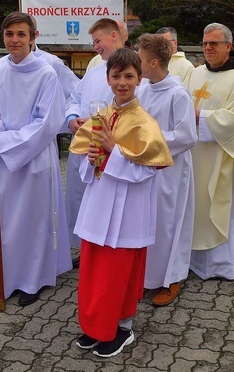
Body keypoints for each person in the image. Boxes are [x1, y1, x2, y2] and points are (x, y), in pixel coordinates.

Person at [69, 47, 173, 357]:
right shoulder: (102, 116)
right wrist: (91, 159)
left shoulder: (144, 122)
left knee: (119, 272)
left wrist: (115, 150)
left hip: (129, 208)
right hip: (99, 205)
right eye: (116, 76)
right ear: (108, 79)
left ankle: (121, 328)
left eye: (129, 76)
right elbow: (87, 164)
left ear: (139, 79)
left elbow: (149, 169)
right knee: (93, 269)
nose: (122, 82)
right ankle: (95, 326)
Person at [0, 12, 72, 306]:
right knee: (7, 220)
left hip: (33, 157)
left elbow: (47, 122)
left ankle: (33, 279)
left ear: (33, 37)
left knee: (34, 220)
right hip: (6, 159)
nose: (15, 40)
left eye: (21, 34)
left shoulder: (45, 72)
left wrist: (5, 140)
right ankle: (6, 276)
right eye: (9, 34)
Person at [186, 23, 234, 280]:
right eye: (205, 43)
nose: (208, 47)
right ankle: (194, 261)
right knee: (197, 208)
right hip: (195, 155)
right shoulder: (195, 74)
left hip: (224, 157)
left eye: (214, 43)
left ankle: (221, 267)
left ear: (228, 46)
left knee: (221, 207)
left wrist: (200, 116)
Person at [136, 34, 197, 306]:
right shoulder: (143, 89)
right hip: (144, 169)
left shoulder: (178, 93)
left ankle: (171, 278)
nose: (136, 65)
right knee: (149, 223)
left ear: (154, 62)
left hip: (170, 171)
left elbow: (186, 136)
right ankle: (147, 278)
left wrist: (149, 139)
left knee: (169, 224)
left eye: (139, 59)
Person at [65, 18, 125, 259]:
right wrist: (71, 118)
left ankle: (109, 250)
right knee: (81, 199)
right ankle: (85, 248)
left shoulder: (132, 69)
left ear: (114, 35)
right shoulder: (94, 70)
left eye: (98, 41)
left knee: (106, 202)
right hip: (82, 146)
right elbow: (74, 97)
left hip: (109, 150)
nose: (95, 47)